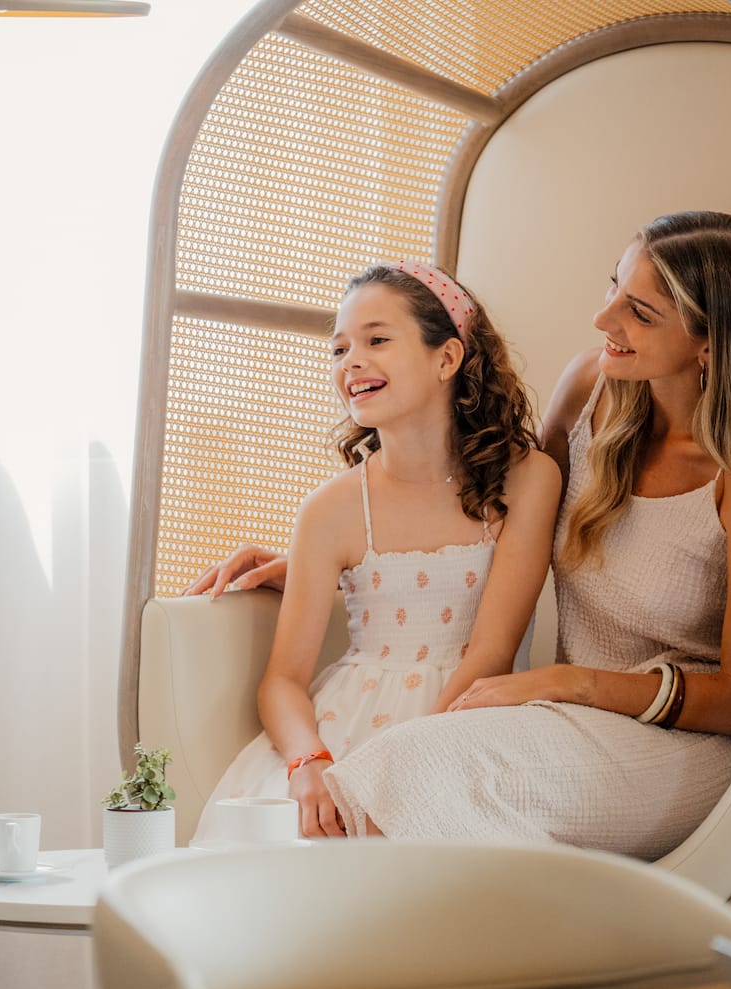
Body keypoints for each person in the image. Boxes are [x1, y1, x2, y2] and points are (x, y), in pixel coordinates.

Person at [190, 212, 731, 857]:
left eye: (639, 312)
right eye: (614, 287)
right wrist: (337, 565)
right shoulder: (591, 392)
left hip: (681, 745)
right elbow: (495, 511)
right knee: (407, 782)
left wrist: (569, 681)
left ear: (710, 342)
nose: (603, 319)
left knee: (417, 776)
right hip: (564, 721)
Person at [189, 262, 561, 841]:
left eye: (377, 340)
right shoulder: (328, 509)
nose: (351, 362)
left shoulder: (528, 478)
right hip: (345, 730)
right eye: (339, 349)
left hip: (466, 724)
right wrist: (308, 763)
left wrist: (404, 769)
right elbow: (282, 680)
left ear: (447, 358)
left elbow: (491, 653)